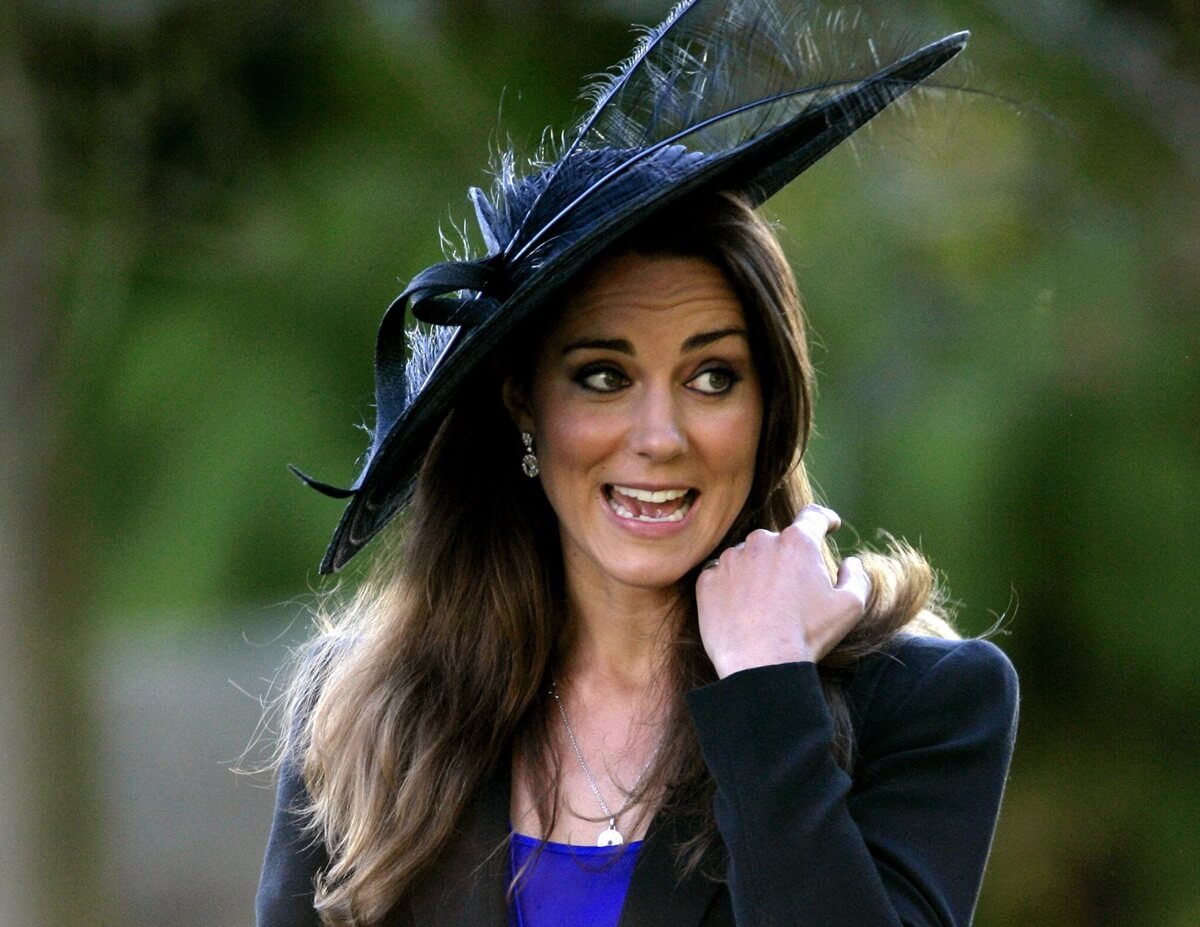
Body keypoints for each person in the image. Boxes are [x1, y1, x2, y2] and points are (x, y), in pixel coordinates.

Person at [257, 3, 1018, 926]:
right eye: (605, 376)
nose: (659, 435)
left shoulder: (922, 703)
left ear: (769, 404)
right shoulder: (367, 709)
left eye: (710, 375)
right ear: (522, 401)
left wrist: (766, 688)